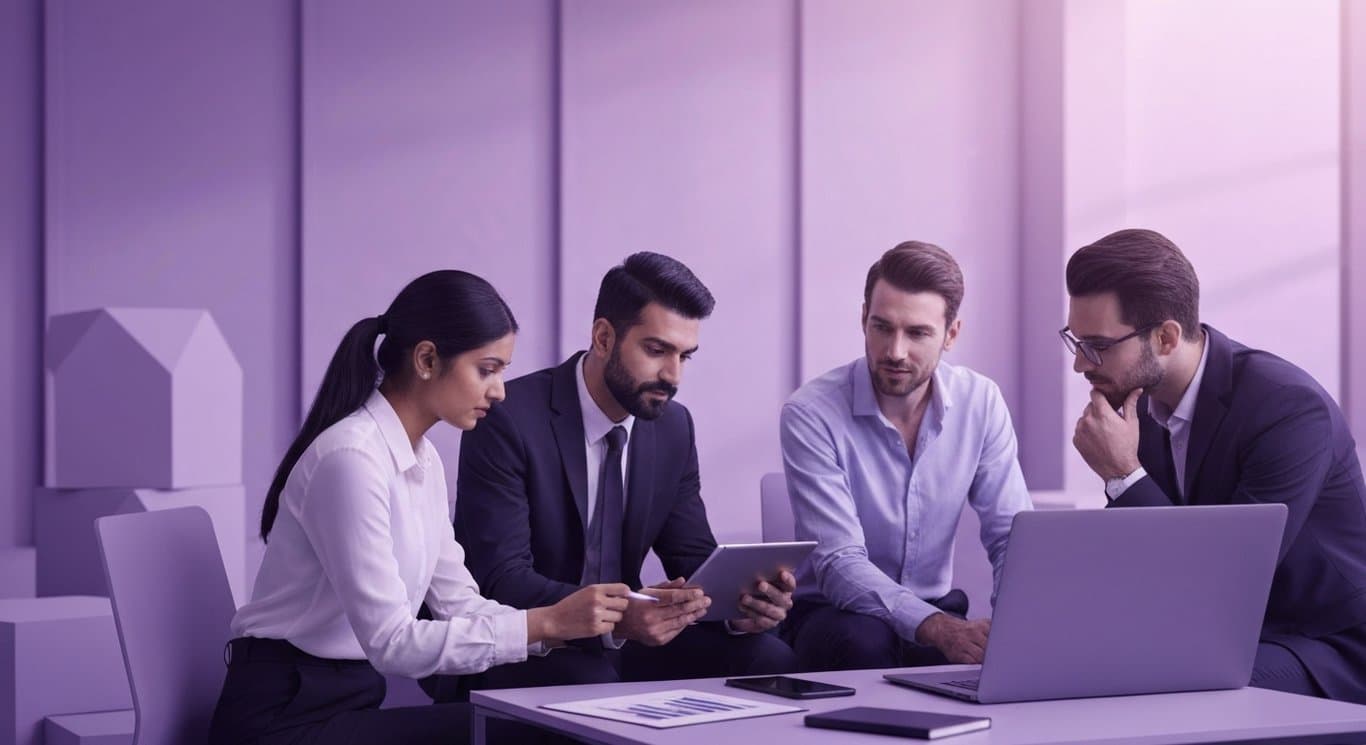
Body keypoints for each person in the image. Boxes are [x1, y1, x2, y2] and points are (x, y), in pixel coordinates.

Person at [208, 271, 632, 745]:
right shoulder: (350, 460)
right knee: (525, 735)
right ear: (427, 359)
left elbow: (459, 604)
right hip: (283, 718)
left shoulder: (422, 458)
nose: (499, 391)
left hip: (349, 700)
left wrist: (568, 625)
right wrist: (545, 621)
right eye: (487, 369)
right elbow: (392, 643)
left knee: (545, 722)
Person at [433, 252, 798, 694]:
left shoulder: (673, 427)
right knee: (590, 678)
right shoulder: (509, 417)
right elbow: (501, 578)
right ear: (603, 337)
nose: (673, 374)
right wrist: (621, 616)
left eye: (686, 356)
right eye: (656, 350)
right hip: (531, 641)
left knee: (767, 658)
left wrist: (740, 606)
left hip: (624, 641)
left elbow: (693, 561)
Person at [1064, 228, 1366, 704]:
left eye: (1097, 345)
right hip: (1226, 639)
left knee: (1147, 684)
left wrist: (1123, 475)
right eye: (1075, 341)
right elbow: (1148, 565)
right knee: (1076, 668)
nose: (1081, 365)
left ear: (1165, 337)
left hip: (1325, 647)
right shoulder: (1140, 406)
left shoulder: (1287, 408)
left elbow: (1222, 583)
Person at [779, 241, 1032, 672]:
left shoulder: (981, 401)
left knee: (991, 660)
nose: (895, 351)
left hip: (936, 606)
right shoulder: (811, 412)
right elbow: (839, 563)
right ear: (863, 319)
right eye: (882, 327)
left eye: (917, 333)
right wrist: (937, 627)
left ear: (951, 335)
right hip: (835, 617)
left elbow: (1011, 535)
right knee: (864, 640)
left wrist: (1019, 626)